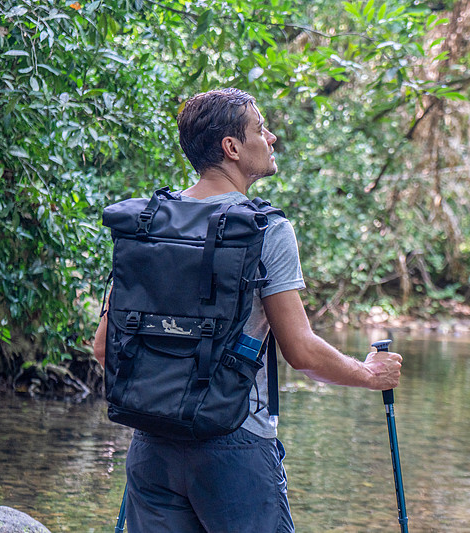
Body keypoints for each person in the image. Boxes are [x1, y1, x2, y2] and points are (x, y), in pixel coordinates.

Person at [93, 87, 403, 533]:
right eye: (261, 129)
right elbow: (301, 352)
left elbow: (105, 348)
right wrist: (369, 374)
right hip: (235, 443)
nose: (272, 138)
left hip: (152, 446)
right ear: (232, 148)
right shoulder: (264, 229)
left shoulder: (147, 225)